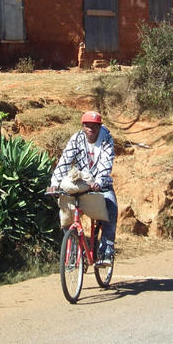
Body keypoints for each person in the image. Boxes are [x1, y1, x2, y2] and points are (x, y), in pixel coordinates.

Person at [48, 110, 117, 264]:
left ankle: (106, 252)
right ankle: (73, 251)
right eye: (87, 126)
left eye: (94, 126)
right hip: (81, 184)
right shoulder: (77, 139)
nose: (90, 129)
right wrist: (54, 183)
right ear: (83, 126)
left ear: (100, 127)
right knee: (66, 215)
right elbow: (65, 161)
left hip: (101, 185)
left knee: (111, 209)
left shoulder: (106, 139)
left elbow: (106, 164)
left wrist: (99, 182)